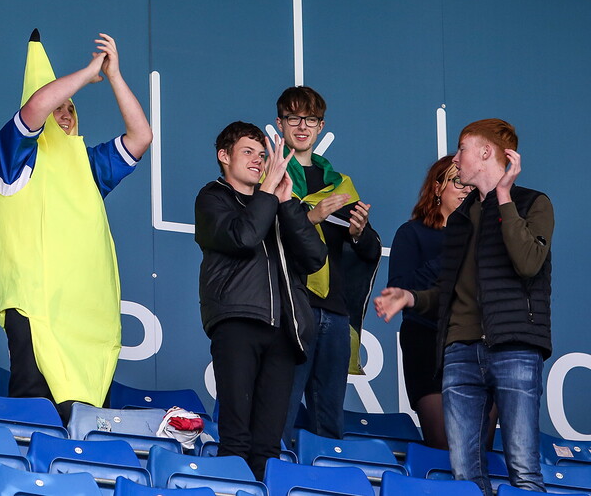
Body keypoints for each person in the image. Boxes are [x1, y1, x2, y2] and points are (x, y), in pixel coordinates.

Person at [375, 119, 553, 495]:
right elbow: (449, 287)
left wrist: (502, 198)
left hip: (514, 347)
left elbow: (527, 262)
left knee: (523, 469)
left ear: (486, 153)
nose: (457, 158)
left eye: (463, 149)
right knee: (465, 474)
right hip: (460, 351)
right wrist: (411, 297)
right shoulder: (460, 218)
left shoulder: (534, 203)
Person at [0, 30, 152, 421]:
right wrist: (87, 71)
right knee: (36, 416)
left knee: (87, 424)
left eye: (71, 108)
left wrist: (113, 76)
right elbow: (35, 106)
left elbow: (141, 136)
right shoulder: (14, 156)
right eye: (58, 107)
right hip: (36, 309)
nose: (64, 113)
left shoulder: (88, 164)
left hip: (84, 315)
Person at [194, 121, 326, 480]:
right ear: (224, 157)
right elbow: (244, 236)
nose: (258, 160)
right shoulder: (212, 197)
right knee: (236, 437)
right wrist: (269, 194)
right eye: (248, 152)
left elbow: (315, 257)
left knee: (268, 446)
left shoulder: (278, 200)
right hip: (238, 321)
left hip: (285, 328)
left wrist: (286, 205)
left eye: (263, 155)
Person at [277, 86, 382, 442]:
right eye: (294, 118)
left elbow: (367, 250)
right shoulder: (270, 176)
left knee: (329, 419)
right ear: (280, 124)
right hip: (292, 302)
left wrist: (358, 231)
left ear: (321, 126)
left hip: (335, 311)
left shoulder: (341, 184)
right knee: (281, 411)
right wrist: (310, 217)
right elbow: (261, 235)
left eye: (310, 119)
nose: (302, 126)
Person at [387, 155, 472, 449]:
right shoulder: (412, 233)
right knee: (442, 447)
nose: (465, 190)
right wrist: (454, 250)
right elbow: (401, 291)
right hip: (426, 342)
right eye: (458, 181)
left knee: (477, 454)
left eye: (472, 184)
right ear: (437, 188)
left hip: (475, 346)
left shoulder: (485, 238)